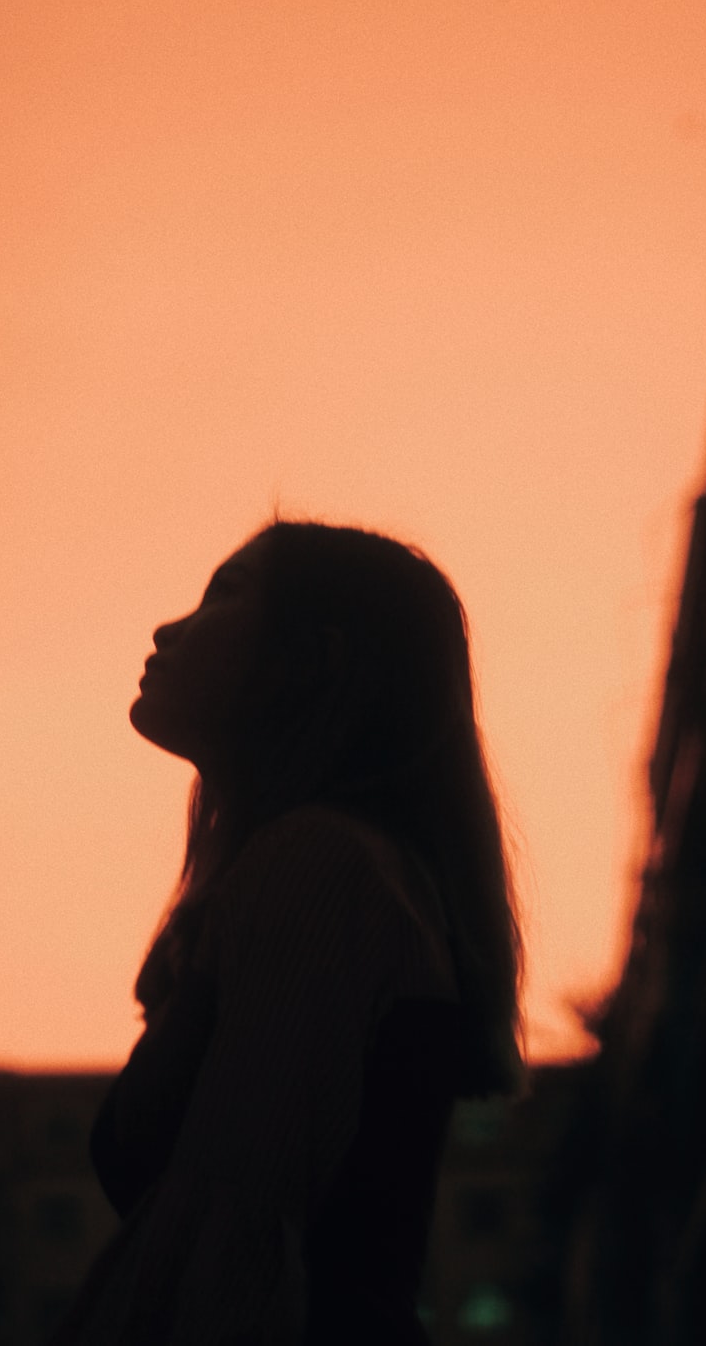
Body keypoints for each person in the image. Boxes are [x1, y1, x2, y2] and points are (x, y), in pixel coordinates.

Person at [54, 519, 523, 1346]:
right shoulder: (329, 869)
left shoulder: (323, 867)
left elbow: (235, 1246)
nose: (169, 628)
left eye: (223, 596)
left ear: (313, 662)